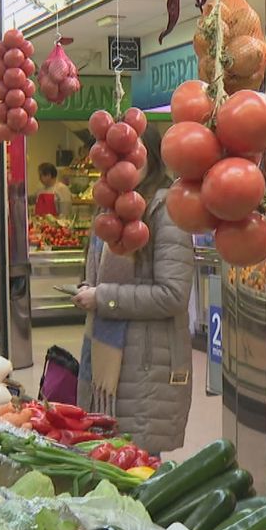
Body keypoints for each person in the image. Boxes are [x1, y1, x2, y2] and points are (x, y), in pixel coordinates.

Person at [72, 127, 194, 455]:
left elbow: (172, 295)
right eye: (117, 156)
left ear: (150, 158)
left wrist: (103, 297)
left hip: (145, 368)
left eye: (132, 155)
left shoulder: (165, 210)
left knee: (136, 469)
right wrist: (90, 289)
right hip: (110, 363)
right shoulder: (109, 208)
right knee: (106, 462)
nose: (122, 164)